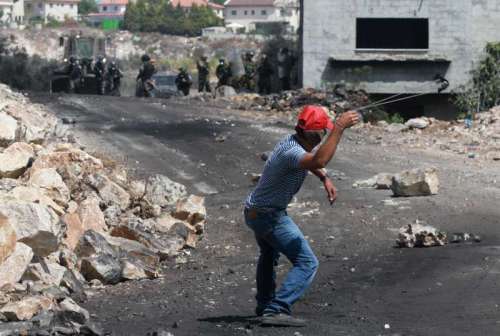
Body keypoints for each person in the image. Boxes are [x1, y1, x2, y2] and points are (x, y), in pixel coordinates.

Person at [244, 106, 360, 327]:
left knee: (269, 255)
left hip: (256, 211)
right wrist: (340, 127)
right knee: (307, 262)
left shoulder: (294, 141)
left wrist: (324, 179)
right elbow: (318, 160)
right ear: (312, 134)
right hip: (268, 215)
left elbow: (311, 161)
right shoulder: (291, 151)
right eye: (323, 132)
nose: (324, 136)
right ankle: (276, 309)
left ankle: (264, 305)